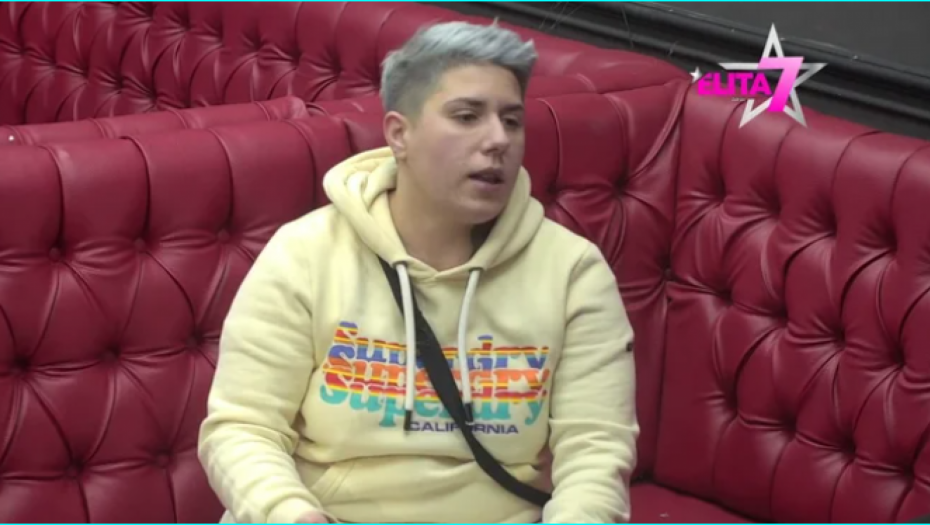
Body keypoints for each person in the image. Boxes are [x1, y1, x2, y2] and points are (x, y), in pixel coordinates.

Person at [198, 20, 639, 524]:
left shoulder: (573, 271)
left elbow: (595, 454)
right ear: (399, 134)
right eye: (467, 116)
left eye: (512, 121)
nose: (498, 139)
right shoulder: (305, 254)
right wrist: (291, 515)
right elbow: (242, 430)